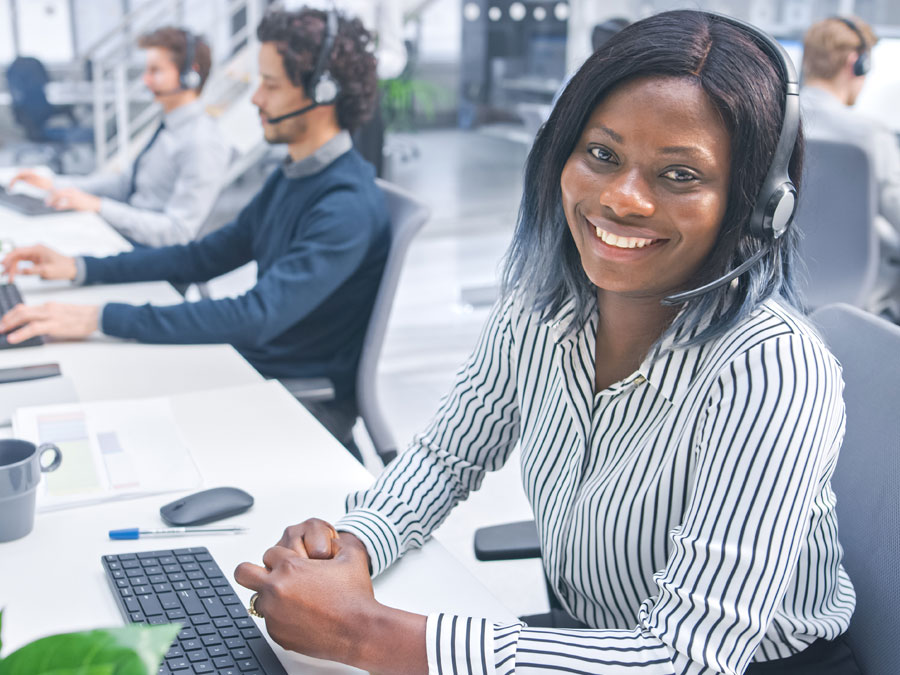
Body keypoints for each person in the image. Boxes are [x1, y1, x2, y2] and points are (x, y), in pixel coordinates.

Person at [231, 10, 860, 675]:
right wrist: (355, 544)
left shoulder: (772, 369)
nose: (622, 199)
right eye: (602, 154)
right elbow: (446, 456)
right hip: (582, 643)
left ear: (760, 205)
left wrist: (364, 631)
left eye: (679, 175)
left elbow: (685, 656)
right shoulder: (541, 305)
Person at [0, 8, 389, 460]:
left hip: (291, 401)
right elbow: (200, 257)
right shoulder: (293, 177)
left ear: (323, 94)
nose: (256, 100)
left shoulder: (345, 205)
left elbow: (257, 314)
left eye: (271, 85)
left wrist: (100, 318)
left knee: (98, 408)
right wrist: (81, 268)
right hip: (247, 369)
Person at [8, 27, 231, 248]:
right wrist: (55, 184)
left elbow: (178, 233)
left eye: (155, 71)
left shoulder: (202, 142)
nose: (145, 80)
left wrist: (98, 207)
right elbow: (126, 184)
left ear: (190, 74)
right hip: (131, 237)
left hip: (153, 254)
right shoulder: (168, 126)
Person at [801, 16, 900, 320]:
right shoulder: (870, 134)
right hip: (861, 303)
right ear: (855, 63)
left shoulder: (775, 122)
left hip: (782, 289)